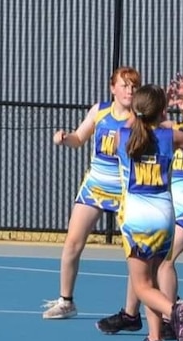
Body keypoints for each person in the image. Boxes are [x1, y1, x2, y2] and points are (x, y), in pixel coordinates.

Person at [96, 78, 183, 337]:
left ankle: (173, 311)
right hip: (165, 217)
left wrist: (154, 110)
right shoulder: (171, 135)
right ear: (164, 111)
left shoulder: (121, 136)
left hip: (138, 219)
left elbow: (136, 123)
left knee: (142, 285)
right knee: (153, 274)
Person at [43, 67, 142, 320]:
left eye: (133, 86)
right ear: (113, 88)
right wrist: (65, 138)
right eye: (124, 85)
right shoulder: (99, 112)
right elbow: (79, 138)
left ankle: (135, 310)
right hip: (95, 187)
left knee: (136, 252)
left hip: (126, 191)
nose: (129, 90)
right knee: (73, 243)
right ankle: (66, 301)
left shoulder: (140, 118)